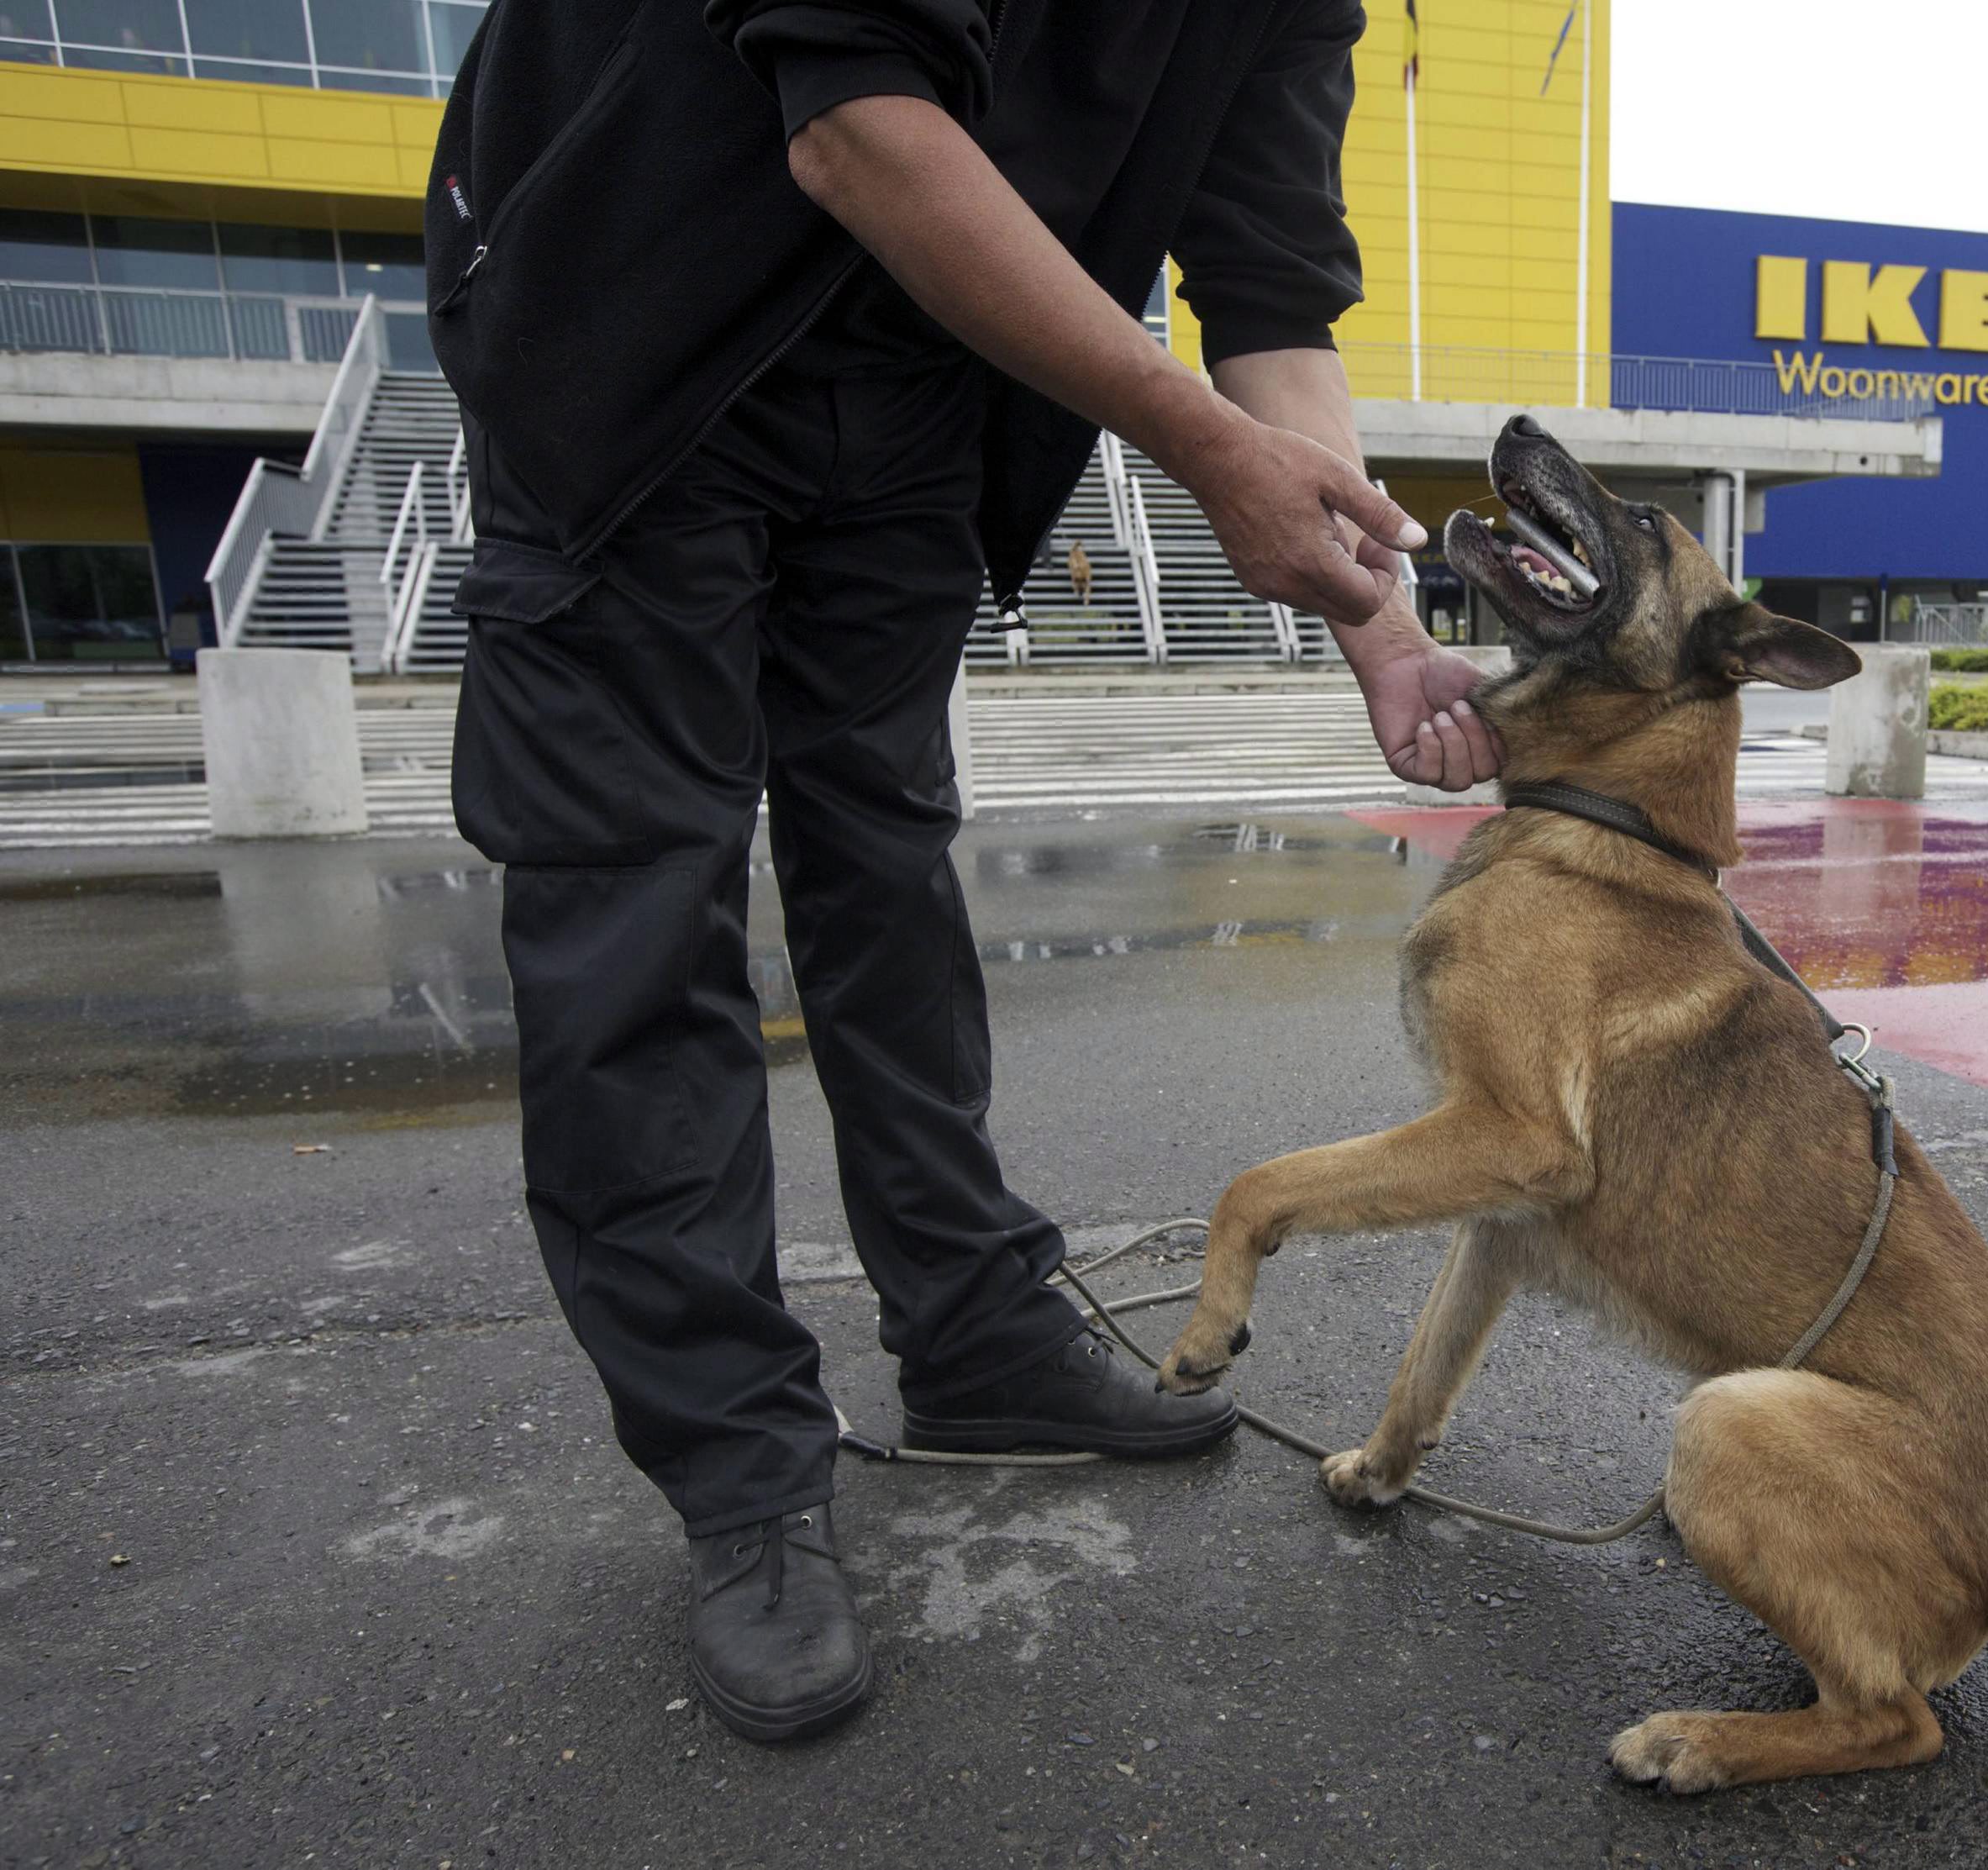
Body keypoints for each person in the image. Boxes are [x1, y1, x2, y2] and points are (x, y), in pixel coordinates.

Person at [424, 0, 1502, 1744]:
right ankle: (743, 1473)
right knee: (639, 916)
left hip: (928, 382)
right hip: (628, 343)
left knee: (886, 865)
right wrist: (1199, 445)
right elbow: (853, 123)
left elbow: (1272, 279)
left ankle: (973, 1334)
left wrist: (1378, 627)